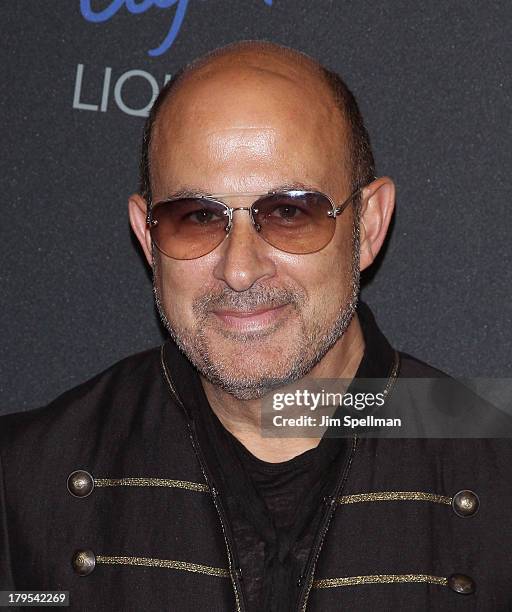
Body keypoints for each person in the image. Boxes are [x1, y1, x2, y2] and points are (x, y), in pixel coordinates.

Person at [1, 40, 511, 611]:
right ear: (148, 238)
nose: (240, 269)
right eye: (196, 218)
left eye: (290, 213)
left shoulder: (495, 471)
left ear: (367, 226)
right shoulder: (24, 482)